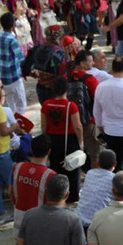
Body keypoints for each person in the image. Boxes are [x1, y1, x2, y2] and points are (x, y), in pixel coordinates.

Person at [9, 134, 55, 245]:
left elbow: (11, 191)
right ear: (49, 152)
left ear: (31, 149)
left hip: (21, 216)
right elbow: (51, 203)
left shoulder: (17, 167)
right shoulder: (50, 175)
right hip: (41, 221)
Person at [0, 76, 25, 224]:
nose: (2, 90)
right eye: (1, 87)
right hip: (1, 151)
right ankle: (21, 210)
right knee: (13, 181)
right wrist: (14, 127)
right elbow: (4, 131)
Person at [40, 75, 84, 203]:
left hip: (52, 139)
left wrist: (45, 136)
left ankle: (56, 195)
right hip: (69, 140)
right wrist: (81, 141)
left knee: (55, 167)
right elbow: (78, 126)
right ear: (67, 89)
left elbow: (43, 125)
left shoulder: (46, 104)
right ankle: (73, 196)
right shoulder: (71, 106)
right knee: (72, 168)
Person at [0, 13, 26, 116]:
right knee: (21, 105)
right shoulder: (12, 40)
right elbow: (20, 57)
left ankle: (13, 123)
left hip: (3, 78)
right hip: (15, 77)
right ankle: (19, 125)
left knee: (11, 103)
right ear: (13, 25)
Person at [77, 149, 117, 228]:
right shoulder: (115, 179)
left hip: (79, 220)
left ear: (97, 163)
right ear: (115, 164)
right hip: (98, 225)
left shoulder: (90, 173)